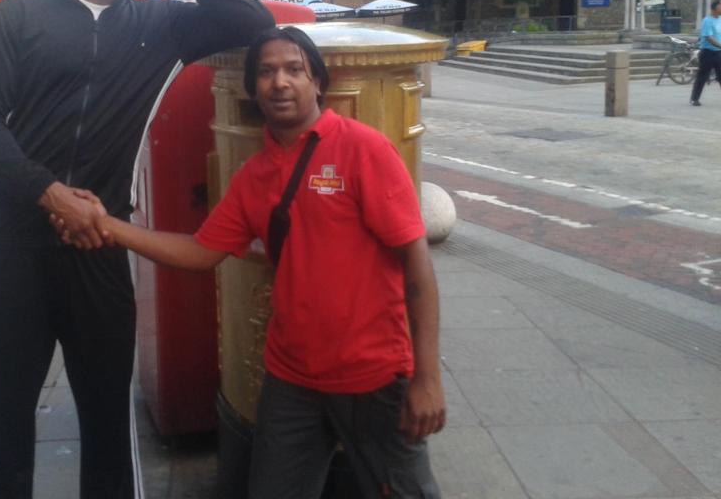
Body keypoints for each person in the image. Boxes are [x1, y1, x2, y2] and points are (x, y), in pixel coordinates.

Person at [0, 0, 273, 499]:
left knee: (105, 418)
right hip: (15, 245)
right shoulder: (18, 14)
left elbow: (252, 19)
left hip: (99, 249)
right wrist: (51, 194)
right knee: (6, 415)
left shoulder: (159, 22)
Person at [56, 26, 446, 499]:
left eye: (293, 69)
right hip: (292, 377)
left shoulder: (363, 149)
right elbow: (202, 251)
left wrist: (426, 379)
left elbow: (416, 265)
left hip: (375, 376)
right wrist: (113, 228)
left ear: (317, 83)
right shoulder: (253, 177)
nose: (279, 82)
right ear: (253, 88)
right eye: (266, 72)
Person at [690, 0, 721, 106]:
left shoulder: (720, 19)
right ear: (716, 7)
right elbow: (709, 37)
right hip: (708, 53)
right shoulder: (707, 20)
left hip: (718, 53)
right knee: (702, 76)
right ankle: (694, 99)